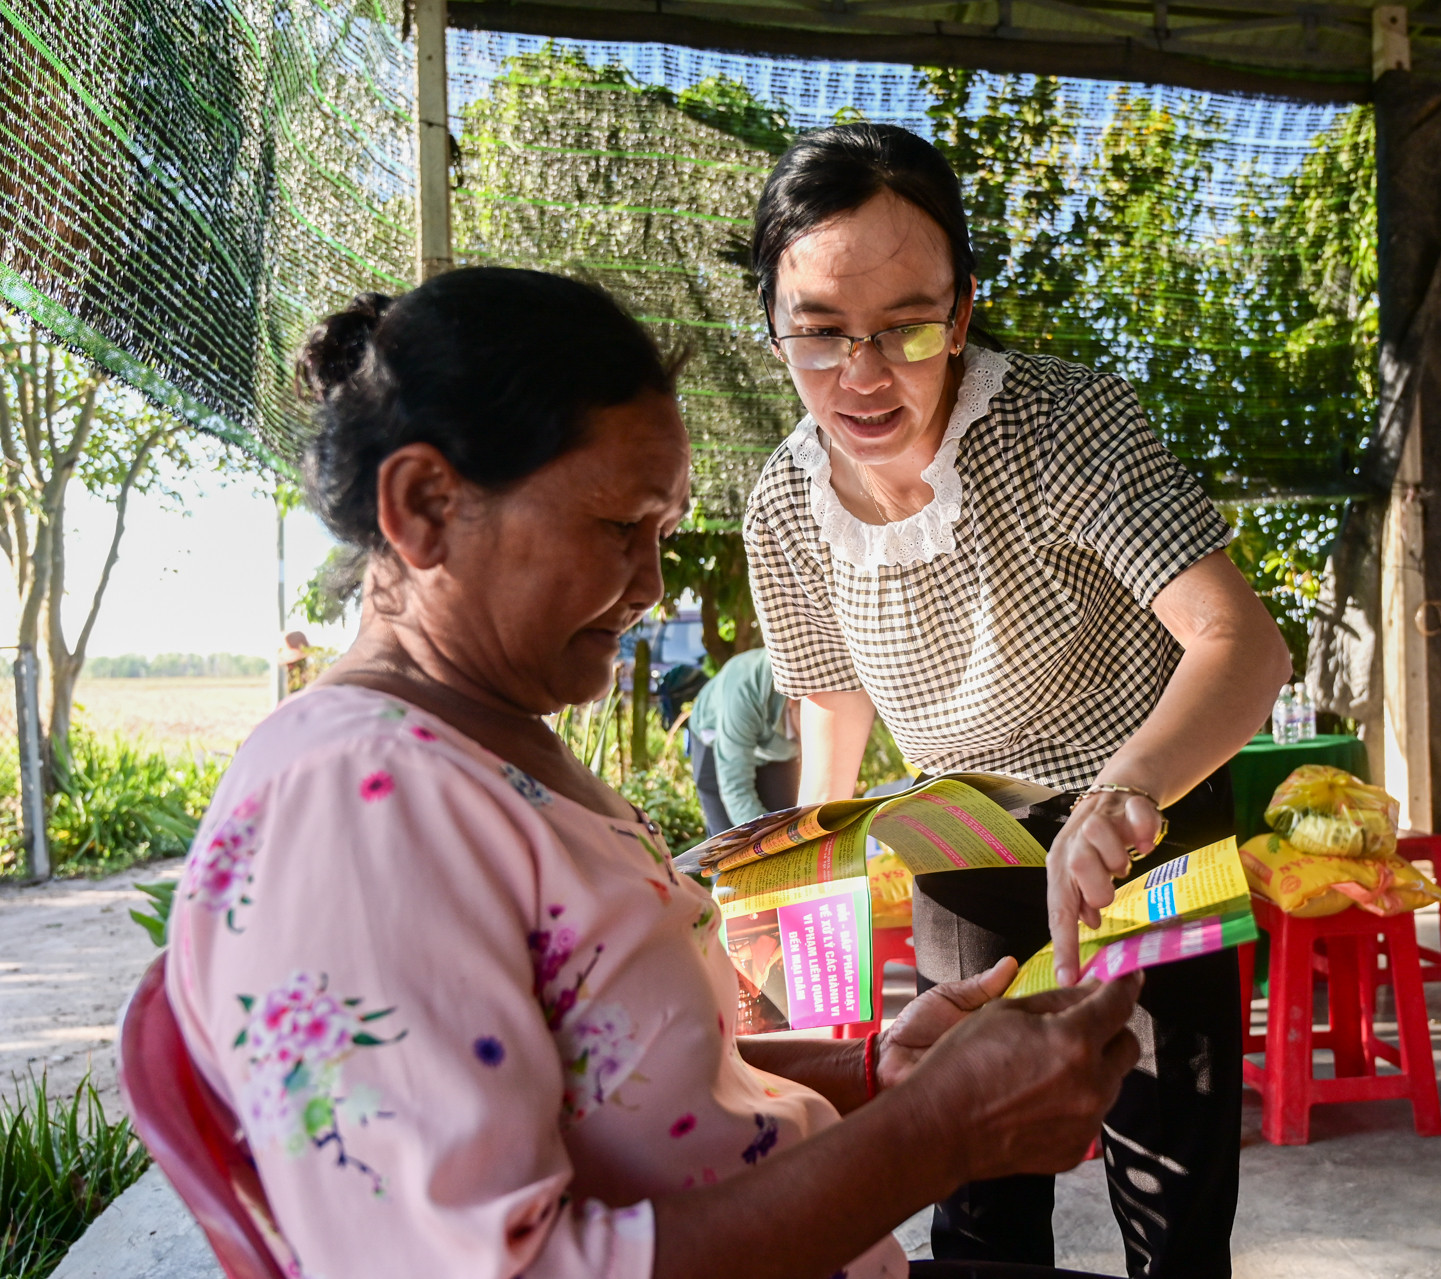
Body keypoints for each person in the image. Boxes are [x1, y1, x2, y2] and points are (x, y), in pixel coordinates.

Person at [164, 266, 1145, 1279]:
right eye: (615, 527)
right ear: (423, 505)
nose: (652, 585)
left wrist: (875, 1068)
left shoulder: (489, 749)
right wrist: (936, 1134)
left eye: (664, 532)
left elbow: (621, 1075)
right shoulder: (359, 809)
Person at [743, 125, 1292, 1278]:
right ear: (774, 321)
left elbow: (1240, 643)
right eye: (821, 333)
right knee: (975, 1187)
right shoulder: (781, 508)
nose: (862, 376)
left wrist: (1123, 794)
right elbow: (832, 709)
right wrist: (797, 892)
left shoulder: (1061, 425)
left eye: (906, 326)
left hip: (1147, 824)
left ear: (965, 303)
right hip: (964, 846)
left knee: (1171, 1188)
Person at [686, 645, 801, 837]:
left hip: (775, 747)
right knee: (728, 840)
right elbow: (736, 789)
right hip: (716, 740)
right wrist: (770, 841)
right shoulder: (745, 692)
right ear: (793, 703)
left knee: (786, 821)